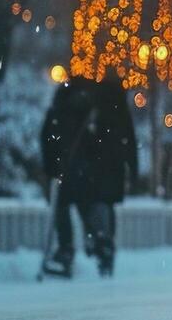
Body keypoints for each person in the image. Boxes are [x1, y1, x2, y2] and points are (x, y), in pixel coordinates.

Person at [39, 75, 137, 278]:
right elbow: (127, 139)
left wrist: (52, 167)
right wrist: (131, 169)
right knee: (98, 207)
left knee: (64, 206)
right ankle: (101, 246)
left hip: (70, 167)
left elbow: (48, 134)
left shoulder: (66, 101)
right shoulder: (111, 104)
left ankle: (66, 251)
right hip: (103, 171)